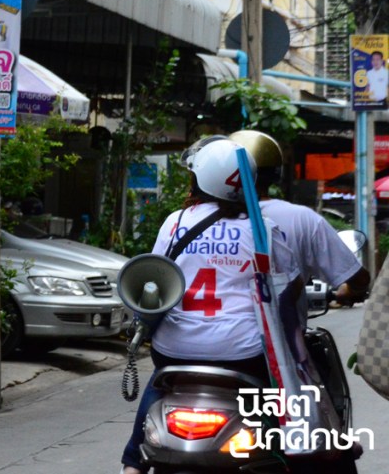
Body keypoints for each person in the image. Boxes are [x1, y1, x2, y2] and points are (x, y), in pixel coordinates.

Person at [120, 138, 301, 474]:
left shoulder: (176, 223)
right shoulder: (264, 231)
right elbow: (290, 290)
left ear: (198, 178)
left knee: (160, 384)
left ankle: (133, 463)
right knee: (281, 407)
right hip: (244, 353)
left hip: (175, 351)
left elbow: (154, 279)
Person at [229, 129, 370, 309]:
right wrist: (349, 291)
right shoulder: (303, 219)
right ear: (276, 172)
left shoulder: (197, 217)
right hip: (283, 325)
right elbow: (358, 279)